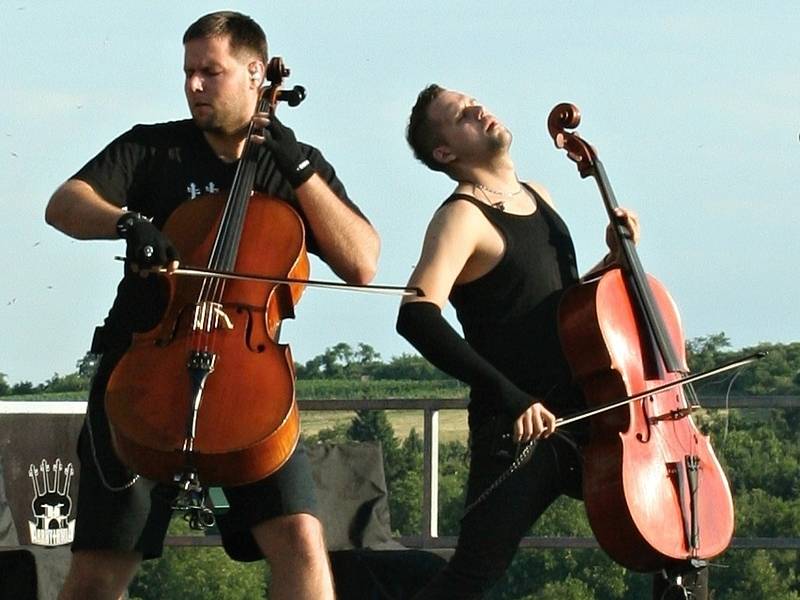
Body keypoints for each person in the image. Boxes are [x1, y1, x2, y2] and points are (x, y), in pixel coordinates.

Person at [45, 11, 379, 600]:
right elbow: (66, 203)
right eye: (188, 72)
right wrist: (127, 222)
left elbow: (361, 263)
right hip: (144, 378)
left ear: (257, 74)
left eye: (210, 72)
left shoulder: (295, 166)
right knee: (101, 571)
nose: (194, 85)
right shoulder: (155, 148)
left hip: (249, 388)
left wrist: (297, 167)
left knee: (302, 544)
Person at [396, 84, 649, 598]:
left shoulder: (539, 196)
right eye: (464, 115)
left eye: (475, 101)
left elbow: (558, 305)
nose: (480, 109)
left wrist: (613, 262)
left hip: (586, 413)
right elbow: (416, 317)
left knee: (673, 529)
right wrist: (512, 398)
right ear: (445, 152)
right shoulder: (462, 218)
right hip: (519, 433)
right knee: (470, 580)